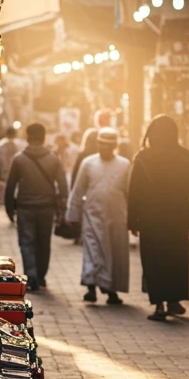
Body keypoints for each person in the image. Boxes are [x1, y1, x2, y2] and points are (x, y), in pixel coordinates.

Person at [127, 115, 189, 322]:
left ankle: (159, 304)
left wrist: (133, 220)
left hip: (150, 217)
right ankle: (173, 300)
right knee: (175, 257)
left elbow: (134, 191)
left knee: (154, 259)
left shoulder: (143, 158)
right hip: (176, 216)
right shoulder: (184, 156)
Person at [66, 127, 130, 305]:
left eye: (109, 145)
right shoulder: (88, 163)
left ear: (115, 146)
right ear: (98, 144)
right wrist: (73, 215)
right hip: (92, 216)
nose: (105, 149)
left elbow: (130, 193)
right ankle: (91, 287)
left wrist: (134, 218)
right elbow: (78, 190)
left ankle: (112, 291)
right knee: (93, 251)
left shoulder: (125, 164)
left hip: (117, 217)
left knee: (115, 254)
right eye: (102, 145)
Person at [4, 123, 67, 292]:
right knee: (44, 242)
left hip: (25, 207)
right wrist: (63, 203)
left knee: (27, 242)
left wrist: (10, 209)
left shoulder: (19, 159)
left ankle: (31, 276)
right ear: (44, 137)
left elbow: (10, 186)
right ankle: (41, 276)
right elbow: (62, 184)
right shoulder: (54, 159)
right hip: (47, 208)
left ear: (27, 137)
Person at [0, 122, 25, 205]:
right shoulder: (17, 143)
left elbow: (0, 158)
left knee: (4, 187)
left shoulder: (1, 143)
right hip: (12, 170)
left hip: (4, 170)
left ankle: (3, 202)